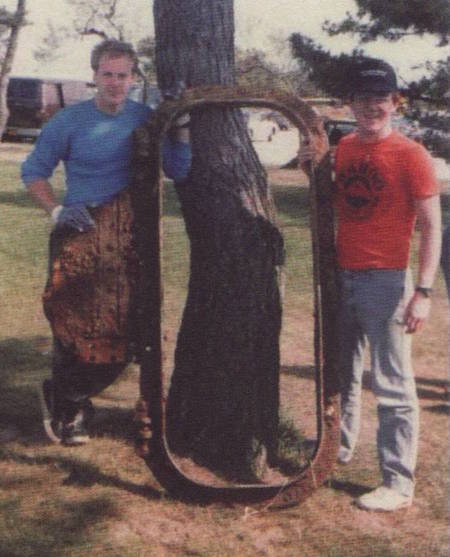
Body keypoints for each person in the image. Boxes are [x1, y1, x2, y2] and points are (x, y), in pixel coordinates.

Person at [21, 39, 191, 446]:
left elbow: (179, 169)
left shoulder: (145, 119)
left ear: (134, 78)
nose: (115, 83)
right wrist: (57, 211)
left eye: (123, 75)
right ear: (94, 76)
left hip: (129, 237)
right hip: (78, 233)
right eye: (108, 75)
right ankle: (71, 411)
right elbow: (33, 172)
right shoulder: (69, 121)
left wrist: (181, 126)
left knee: (128, 329)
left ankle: (66, 395)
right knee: (72, 325)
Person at [299, 58, 441, 511]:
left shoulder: (412, 155)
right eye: (363, 99)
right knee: (341, 372)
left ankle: (398, 482)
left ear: (395, 102)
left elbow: (432, 227)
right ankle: (336, 452)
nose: (371, 107)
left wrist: (423, 292)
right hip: (344, 275)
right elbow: (337, 197)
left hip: (387, 282)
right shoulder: (344, 149)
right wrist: (309, 168)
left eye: (380, 98)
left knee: (393, 383)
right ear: (352, 103)